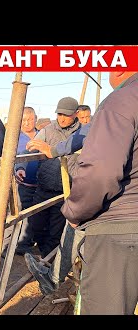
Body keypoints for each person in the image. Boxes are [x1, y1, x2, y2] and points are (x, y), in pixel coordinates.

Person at [59, 70, 138, 315]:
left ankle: (53, 276)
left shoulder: (123, 101)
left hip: (121, 230)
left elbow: (101, 171)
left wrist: (74, 211)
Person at [20, 97, 81, 257]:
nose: (62, 118)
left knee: (56, 232)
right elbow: (31, 147)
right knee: (36, 226)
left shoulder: (82, 134)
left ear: (75, 114)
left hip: (65, 192)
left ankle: (47, 264)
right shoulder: (48, 130)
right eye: (59, 114)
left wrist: (51, 149)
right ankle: (45, 254)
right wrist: (32, 148)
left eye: (66, 115)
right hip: (43, 189)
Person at [13, 107, 40, 255]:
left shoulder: (42, 135)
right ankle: (12, 243)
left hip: (40, 183)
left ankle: (24, 243)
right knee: (18, 212)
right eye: (23, 120)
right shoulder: (15, 137)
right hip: (19, 183)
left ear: (36, 118)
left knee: (32, 214)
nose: (27, 123)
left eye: (30, 119)